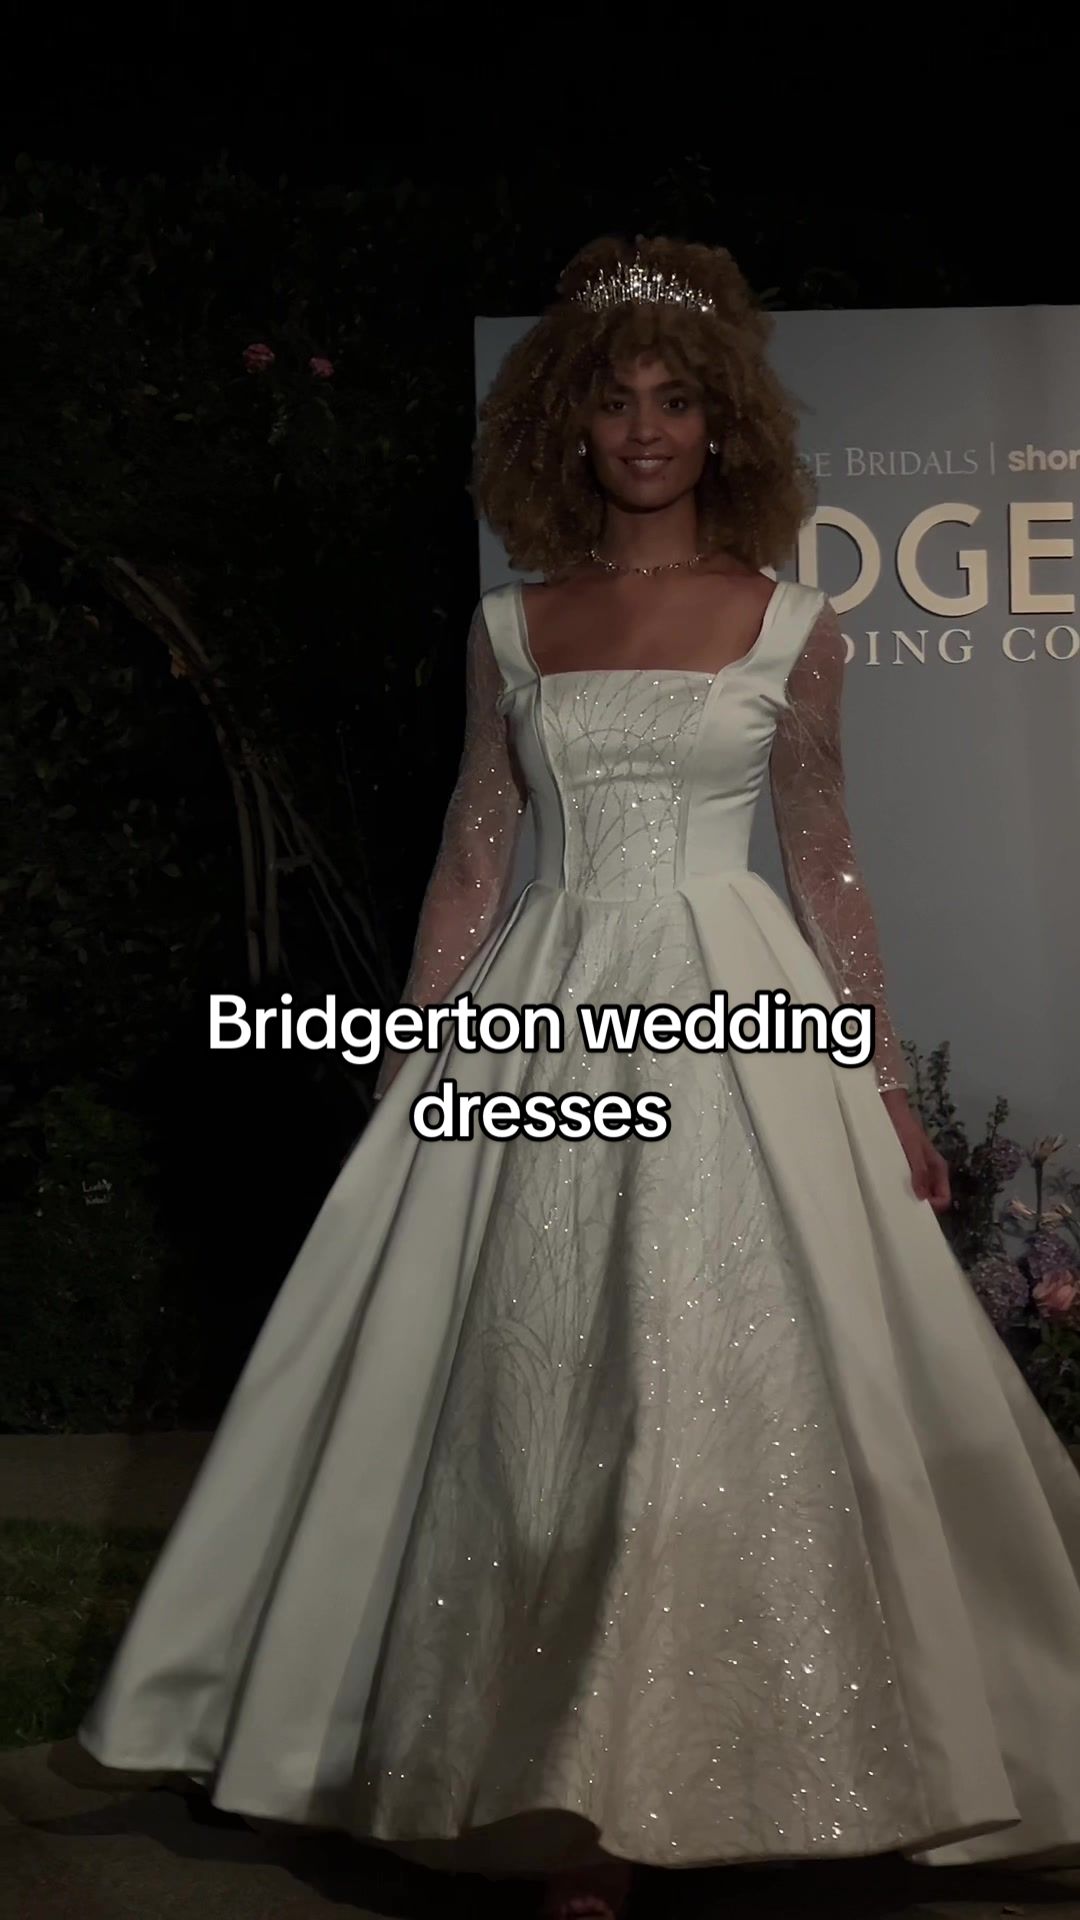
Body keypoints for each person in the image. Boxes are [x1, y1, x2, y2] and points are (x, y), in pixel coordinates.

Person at [79, 235, 1080, 1920]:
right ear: (568, 424)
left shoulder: (793, 621)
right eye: (615, 400)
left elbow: (827, 861)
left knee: (714, 1367)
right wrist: (415, 1047)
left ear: (722, 422)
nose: (646, 429)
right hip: (543, 1008)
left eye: (675, 399)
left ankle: (768, 1773)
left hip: (737, 1012)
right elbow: (476, 858)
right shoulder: (511, 625)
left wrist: (886, 1086)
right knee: (544, 1378)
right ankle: (569, 1808)